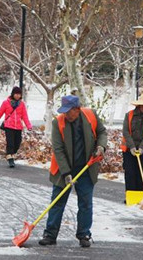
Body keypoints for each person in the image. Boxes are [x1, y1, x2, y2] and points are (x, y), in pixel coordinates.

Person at [38, 95, 107, 248]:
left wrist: (101, 146)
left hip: (86, 167)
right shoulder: (58, 122)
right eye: (64, 111)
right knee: (57, 201)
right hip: (64, 168)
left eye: (69, 111)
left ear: (77, 109)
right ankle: (50, 234)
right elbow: (58, 149)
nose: (66, 115)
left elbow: (102, 132)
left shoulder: (91, 115)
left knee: (85, 203)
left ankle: (84, 234)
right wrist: (66, 173)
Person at [120, 90, 143, 198]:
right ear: (139, 105)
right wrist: (131, 146)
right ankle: (130, 197)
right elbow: (126, 131)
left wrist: (141, 148)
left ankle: (141, 197)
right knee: (130, 173)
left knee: (142, 174)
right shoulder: (129, 115)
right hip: (128, 149)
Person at [0, 86, 32, 168]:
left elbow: (25, 116)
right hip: (9, 126)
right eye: (16, 94)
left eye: (19, 94)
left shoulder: (22, 104)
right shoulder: (6, 103)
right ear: (12, 94)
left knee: (17, 143)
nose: (17, 96)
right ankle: (10, 158)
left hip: (18, 127)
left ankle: (11, 154)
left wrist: (28, 126)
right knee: (10, 143)